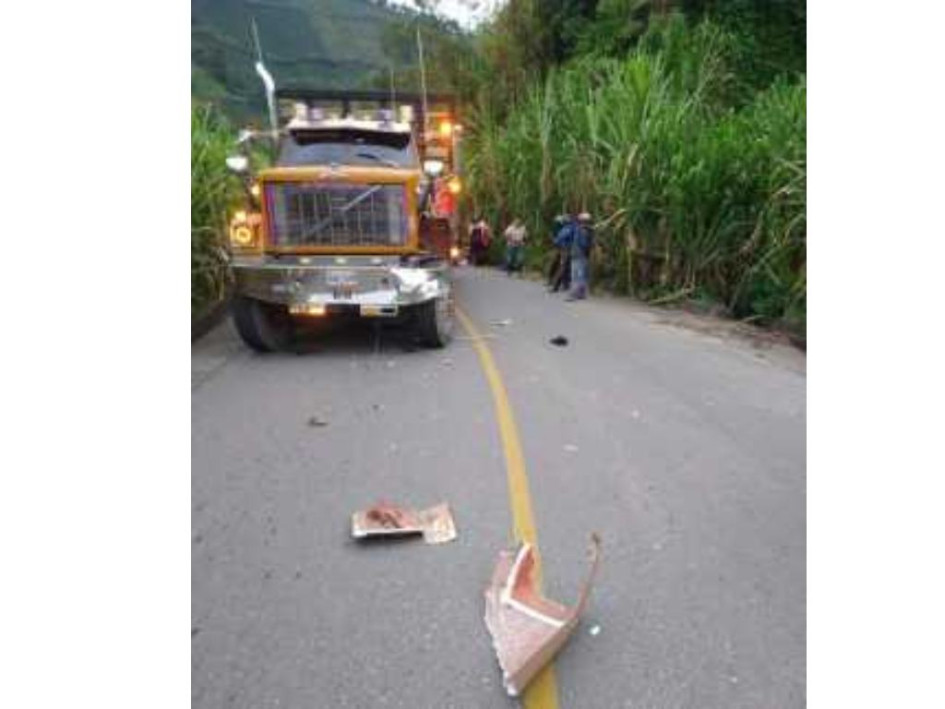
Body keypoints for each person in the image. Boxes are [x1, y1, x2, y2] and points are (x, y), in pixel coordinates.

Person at [566, 212, 594, 301]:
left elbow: (583, 243)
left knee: (576, 275)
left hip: (578, 254)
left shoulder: (582, 230)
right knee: (581, 274)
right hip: (581, 254)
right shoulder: (586, 230)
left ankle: (574, 294)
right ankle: (581, 293)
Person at [548, 214, 573, 292]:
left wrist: (553, 240)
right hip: (571, 249)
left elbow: (559, 239)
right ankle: (566, 284)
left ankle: (556, 286)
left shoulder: (566, 229)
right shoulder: (572, 228)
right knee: (567, 267)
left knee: (562, 267)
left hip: (565, 249)